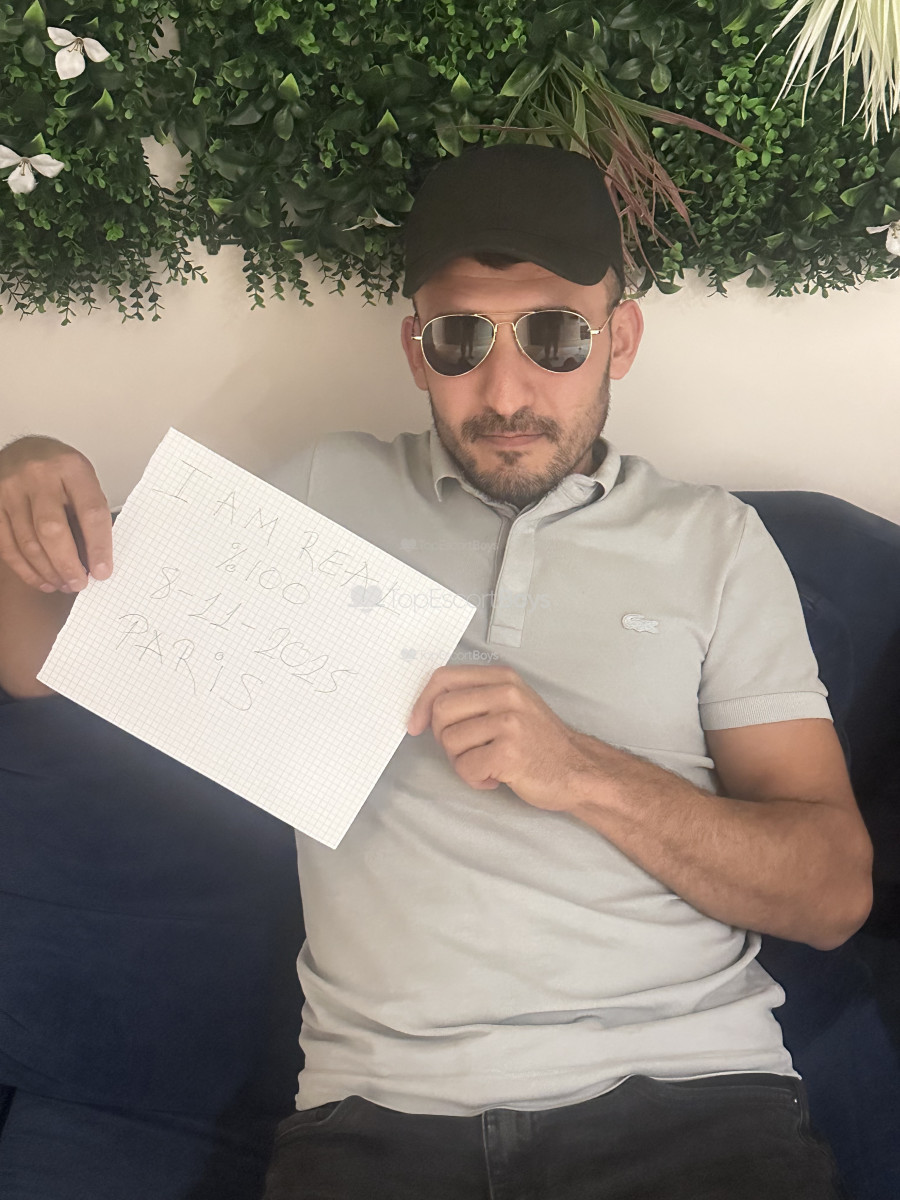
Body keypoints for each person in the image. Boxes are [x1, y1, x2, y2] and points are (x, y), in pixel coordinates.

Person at [0, 144, 873, 1200]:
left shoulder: (715, 543)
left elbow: (831, 893)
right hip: (379, 1123)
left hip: (692, 1105)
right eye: (462, 339)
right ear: (417, 352)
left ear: (621, 339)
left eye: (555, 335)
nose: (506, 392)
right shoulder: (319, 496)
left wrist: (577, 770)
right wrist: (21, 478)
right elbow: (38, 661)